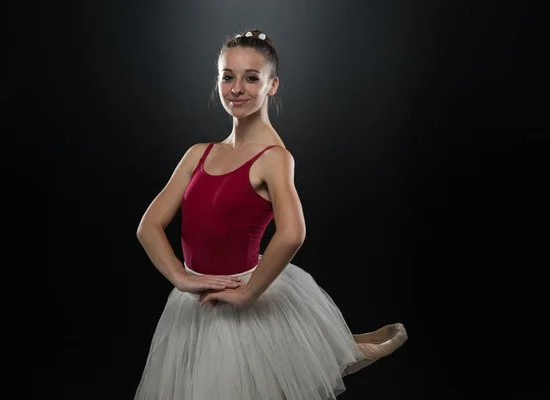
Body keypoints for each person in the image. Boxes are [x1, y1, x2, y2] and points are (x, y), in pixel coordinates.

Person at [133, 29, 407, 400]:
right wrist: (181, 278)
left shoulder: (275, 158)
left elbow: (292, 233)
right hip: (195, 301)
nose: (236, 89)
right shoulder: (198, 153)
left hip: (242, 299)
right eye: (227, 76)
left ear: (272, 85)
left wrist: (247, 295)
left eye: (251, 78)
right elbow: (148, 226)